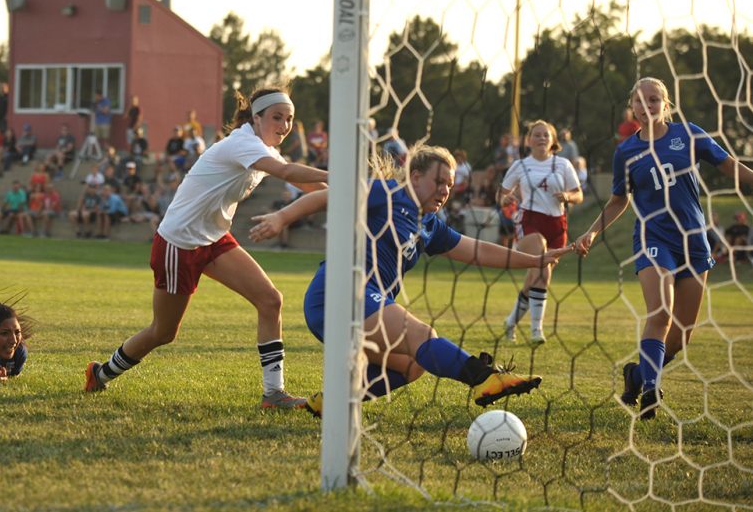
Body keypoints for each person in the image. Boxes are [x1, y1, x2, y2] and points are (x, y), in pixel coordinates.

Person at [248, 146, 563, 416]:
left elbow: (477, 251)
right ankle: (483, 377)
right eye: (438, 181)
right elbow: (329, 196)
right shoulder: (387, 193)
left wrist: (534, 260)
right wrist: (282, 218)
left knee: (412, 365)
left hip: (367, 306)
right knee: (423, 334)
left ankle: (331, 404)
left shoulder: (430, 225)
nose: (444, 190)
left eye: (450, 186)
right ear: (414, 177)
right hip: (337, 292)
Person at [83, 88, 328, 409]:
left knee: (270, 300)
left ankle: (273, 395)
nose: (284, 125)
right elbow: (286, 172)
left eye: (290, 119)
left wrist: (364, 195)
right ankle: (100, 374)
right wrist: (346, 177)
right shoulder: (243, 142)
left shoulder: (260, 145)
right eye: (277, 117)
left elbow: (312, 187)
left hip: (213, 239)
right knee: (163, 332)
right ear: (256, 118)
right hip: (179, 243)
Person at [573, 77, 753, 420]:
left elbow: (728, 165)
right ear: (632, 107)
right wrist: (593, 232)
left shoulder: (688, 134)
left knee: (682, 335)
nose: (646, 106)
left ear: (666, 104)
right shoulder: (625, 151)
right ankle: (651, 391)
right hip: (653, 239)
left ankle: (637, 375)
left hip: (694, 242)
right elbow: (617, 200)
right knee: (661, 314)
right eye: (639, 101)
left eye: (653, 99)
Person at [499, 120, 583, 345]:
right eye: (537, 135)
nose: (541, 138)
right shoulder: (520, 165)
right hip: (529, 220)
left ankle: (511, 321)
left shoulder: (563, 164)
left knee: (536, 277)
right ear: (529, 140)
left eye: (546, 135)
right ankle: (537, 331)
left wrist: (568, 196)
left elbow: (578, 194)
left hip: (557, 224)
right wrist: (505, 199)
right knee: (541, 269)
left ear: (553, 140)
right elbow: (503, 194)